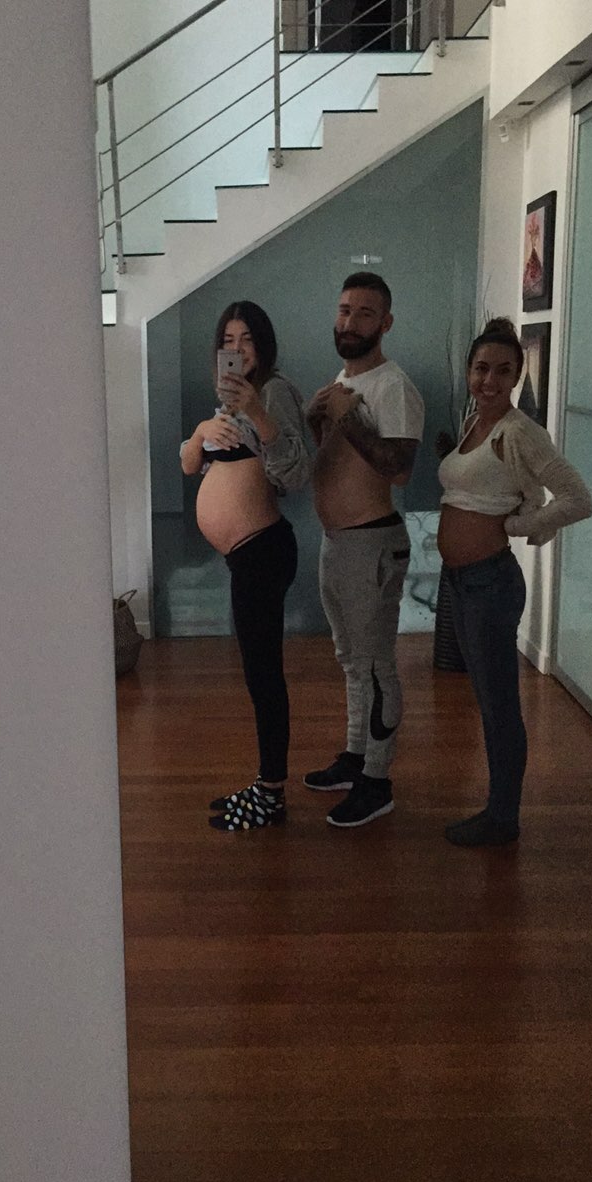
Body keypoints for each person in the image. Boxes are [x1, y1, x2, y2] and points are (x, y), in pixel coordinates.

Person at [438, 317, 592, 847]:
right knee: (487, 700)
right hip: (463, 582)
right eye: (481, 368)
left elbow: (578, 499)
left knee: (499, 704)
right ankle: (499, 809)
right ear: (469, 371)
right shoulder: (474, 422)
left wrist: (516, 526)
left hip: (490, 585)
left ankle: (503, 816)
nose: (490, 380)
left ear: (517, 377)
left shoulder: (521, 431)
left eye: (503, 371)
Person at [180, 300, 309, 832]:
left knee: (264, 675)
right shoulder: (226, 402)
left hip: (263, 550)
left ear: (264, 345)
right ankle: (265, 785)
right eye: (228, 341)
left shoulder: (274, 392)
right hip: (246, 556)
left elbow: (296, 472)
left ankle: (271, 794)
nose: (237, 350)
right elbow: (190, 464)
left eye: (247, 340)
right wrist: (201, 431)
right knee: (258, 674)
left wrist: (256, 412)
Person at [303, 272, 424, 827]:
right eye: (345, 310)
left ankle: (377, 781)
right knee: (351, 661)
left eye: (365, 313)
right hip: (338, 542)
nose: (350, 322)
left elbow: (398, 470)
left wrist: (346, 415)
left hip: (372, 542)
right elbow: (341, 458)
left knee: (375, 667)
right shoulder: (344, 381)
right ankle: (356, 757)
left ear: (386, 323)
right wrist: (318, 420)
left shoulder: (394, 386)